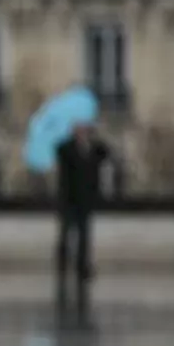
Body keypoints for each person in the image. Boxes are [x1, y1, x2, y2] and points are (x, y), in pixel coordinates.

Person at [54, 123, 110, 291]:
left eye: (84, 130)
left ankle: (82, 267)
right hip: (69, 200)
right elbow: (61, 151)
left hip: (85, 201)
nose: (82, 133)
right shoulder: (67, 149)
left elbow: (105, 152)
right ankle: (62, 266)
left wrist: (93, 138)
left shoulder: (91, 149)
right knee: (66, 234)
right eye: (79, 130)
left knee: (84, 237)